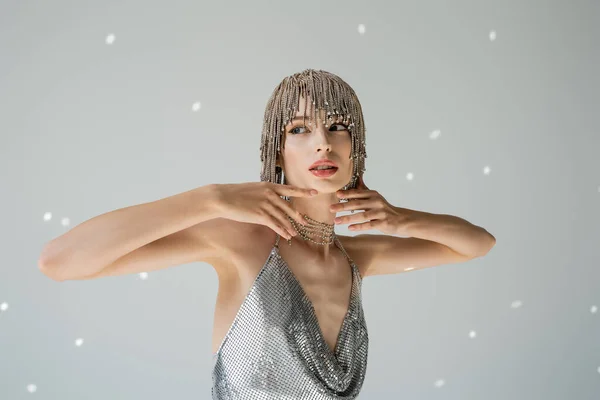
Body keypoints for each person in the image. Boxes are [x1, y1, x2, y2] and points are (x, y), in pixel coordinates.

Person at [38, 69, 496, 399]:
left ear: (356, 149)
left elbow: (477, 244)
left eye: (338, 127)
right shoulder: (242, 241)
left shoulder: (357, 257)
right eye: (300, 129)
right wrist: (211, 198)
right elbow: (59, 261)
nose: (323, 142)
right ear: (277, 150)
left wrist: (400, 218)